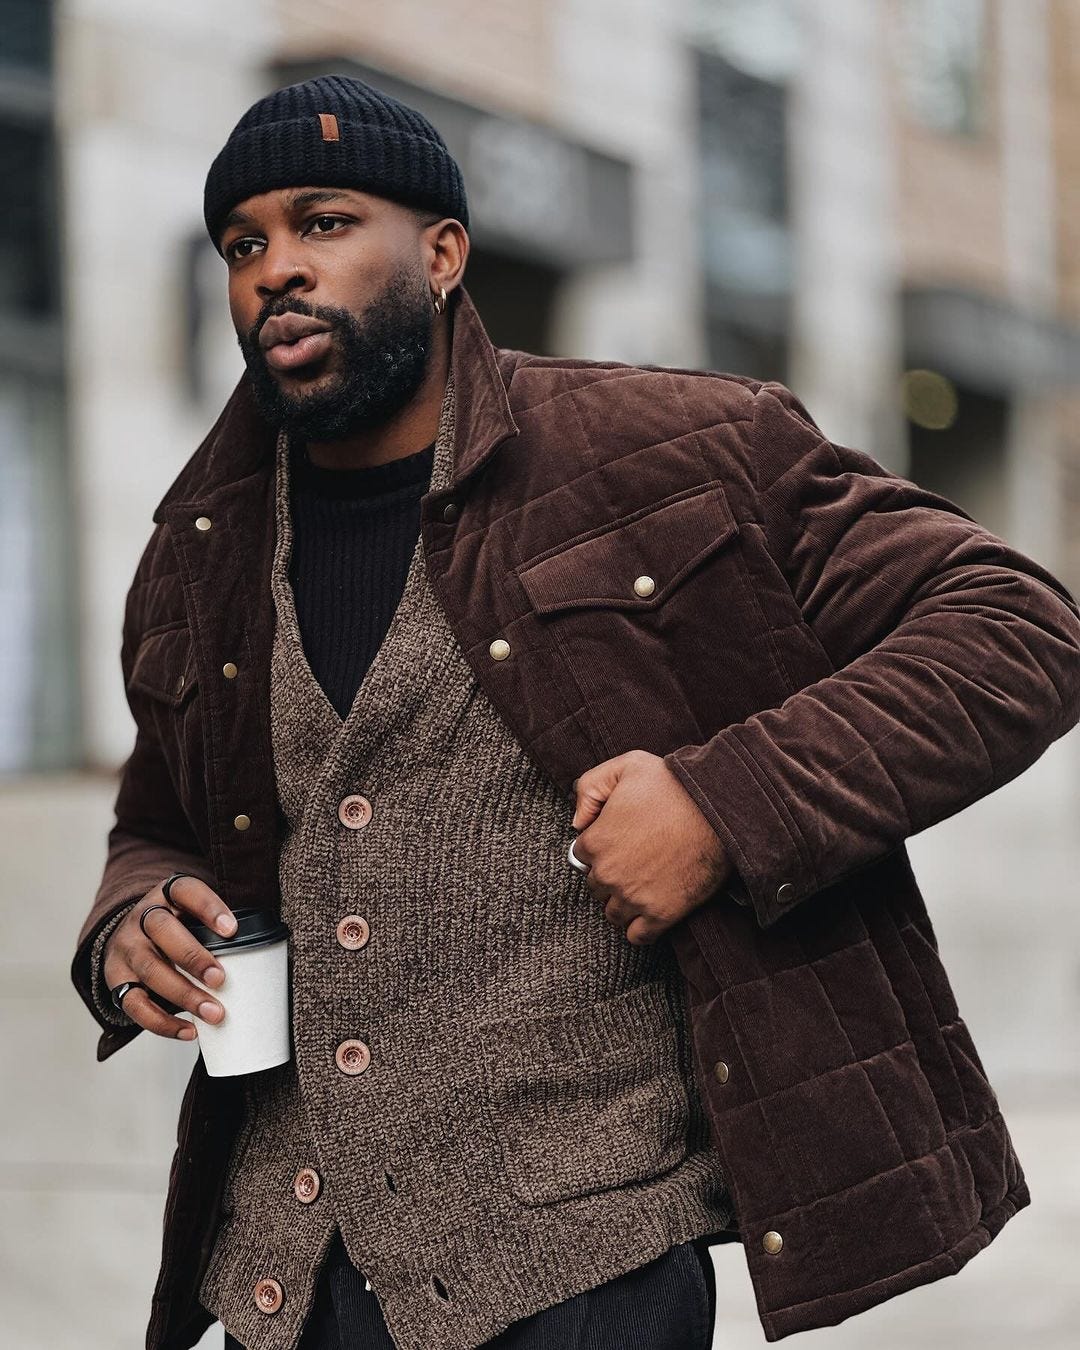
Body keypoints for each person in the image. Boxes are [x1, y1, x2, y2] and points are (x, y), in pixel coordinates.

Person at [70, 75, 1080, 1350]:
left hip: (577, 1275)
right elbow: (158, 818)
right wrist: (129, 928)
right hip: (278, 1283)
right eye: (245, 243)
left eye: (323, 224)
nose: (276, 269)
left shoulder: (670, 444)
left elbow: (1018, 627)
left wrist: (726, 805)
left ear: (441, 254)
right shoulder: (196, 548)